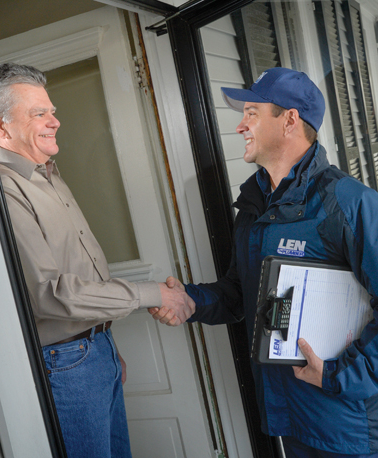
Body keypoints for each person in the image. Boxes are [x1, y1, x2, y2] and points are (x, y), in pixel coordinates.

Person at [150, 67, 378, 457]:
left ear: (290, 119)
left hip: (345, 423)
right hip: (288, 416)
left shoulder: (348, 202)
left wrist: (341, 376)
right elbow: (242, 294)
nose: (240, 126)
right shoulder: (254, 207)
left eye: (252, 112)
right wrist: (189, 301)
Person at [0, 62, 195, 458]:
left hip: (93, 351)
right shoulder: (1, 193)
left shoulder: (48, 175)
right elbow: (48, 294)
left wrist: (103, 348)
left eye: (52, 110)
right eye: (38, 113)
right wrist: (155, 295)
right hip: (63, 365)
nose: (54, 121)